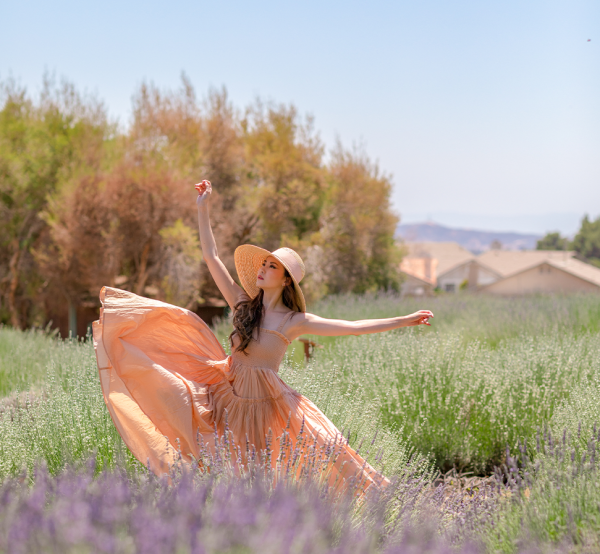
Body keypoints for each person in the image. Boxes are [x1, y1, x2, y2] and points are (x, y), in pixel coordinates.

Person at [93, 179, 433, 498]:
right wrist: (202, 208)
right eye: (264, 263)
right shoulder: (243, 305)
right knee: (206, 440)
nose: (263, 269)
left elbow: (354, 326)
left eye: (272, 267)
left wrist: (405, 320)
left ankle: (377, 500)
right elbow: (211, 257)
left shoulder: (294, 322)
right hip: (227, 398)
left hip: (267, 406)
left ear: (286, 281)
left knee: (323, 450)